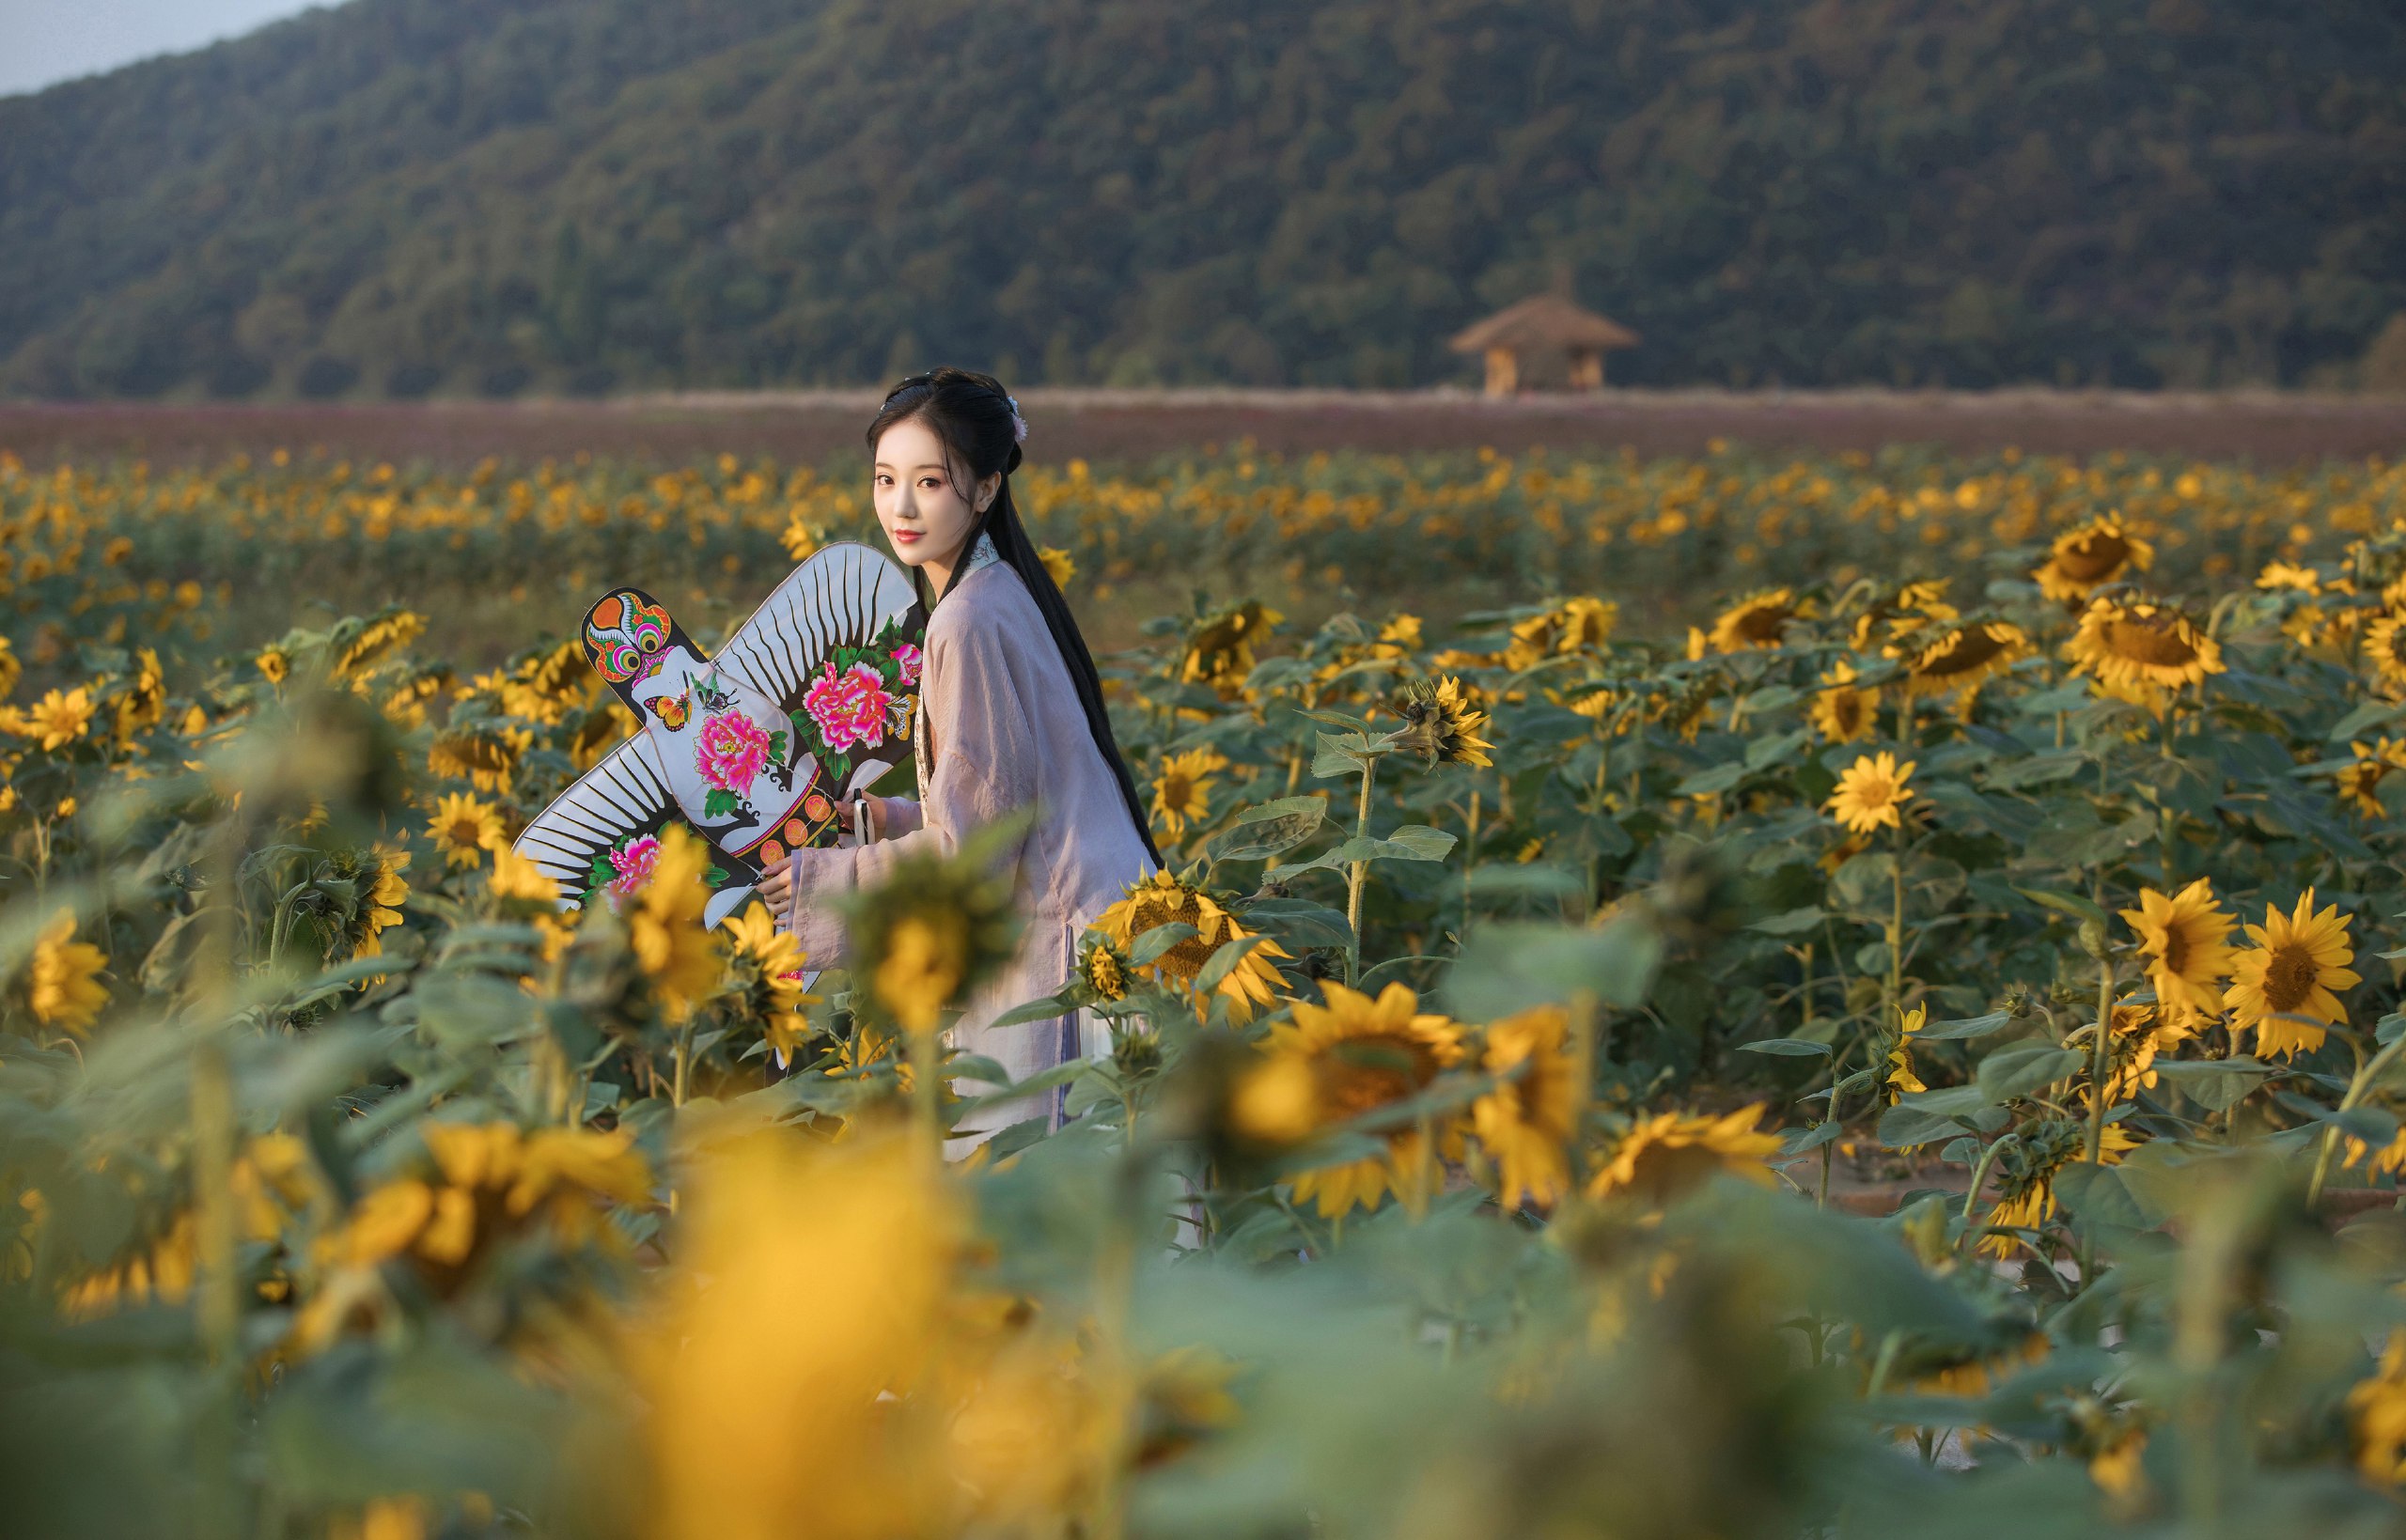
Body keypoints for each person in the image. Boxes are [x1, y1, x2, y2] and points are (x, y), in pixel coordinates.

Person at [755, 366, 1164, 1149]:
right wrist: (879, 821)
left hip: (1064, 961)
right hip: (1108, 926)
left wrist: (824, 883)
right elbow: (1008, 801)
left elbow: (977, 853)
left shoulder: (963, 622)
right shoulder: (1002, 589)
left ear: (983, 489)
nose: (900, 507)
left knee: (1030, 1196)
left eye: (930, 481)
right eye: (885, 479)